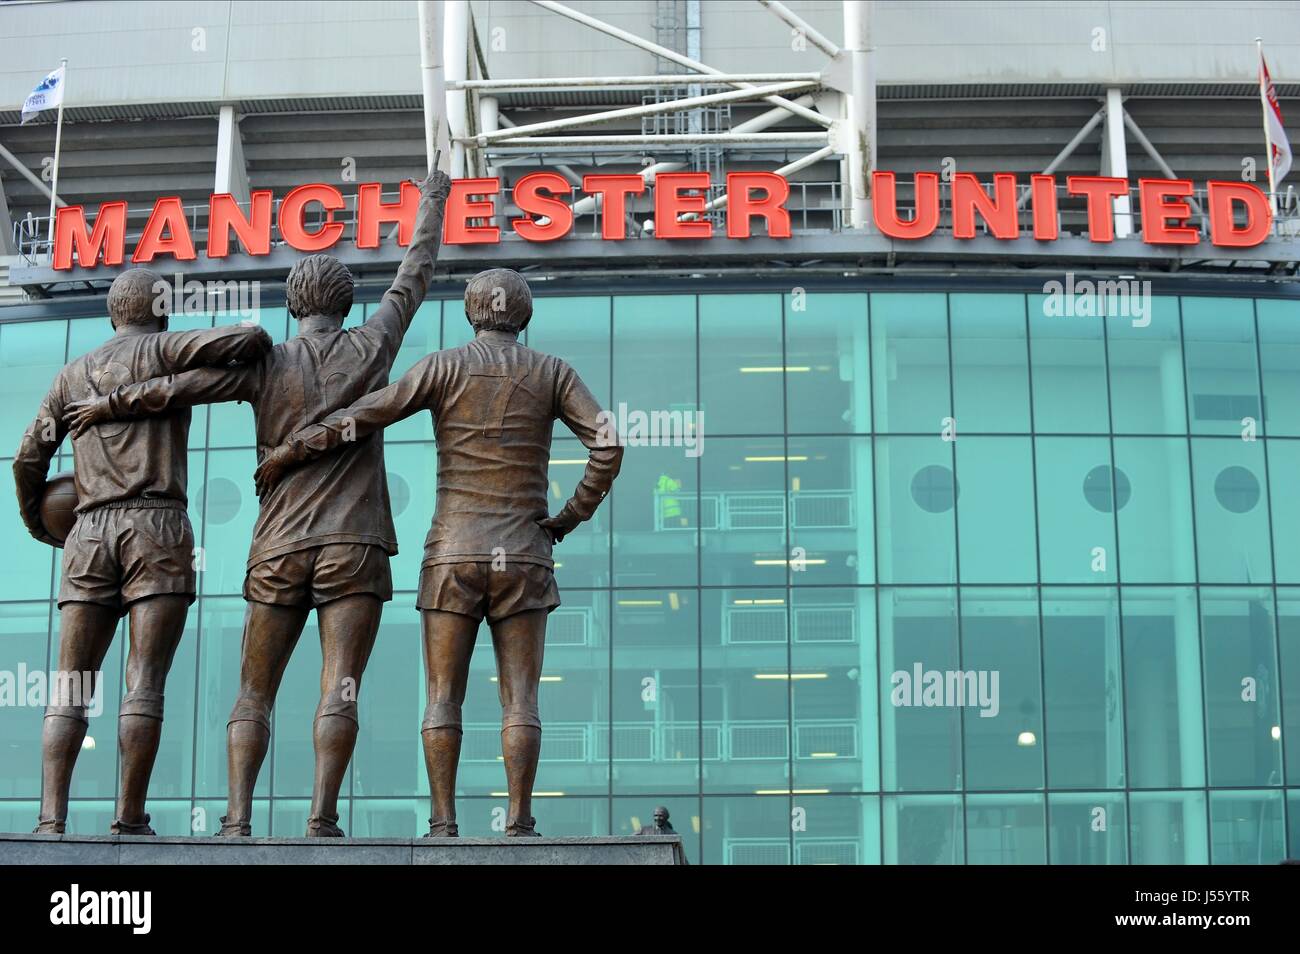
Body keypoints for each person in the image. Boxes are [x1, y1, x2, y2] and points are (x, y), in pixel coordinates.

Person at [62, 171, 452, 836]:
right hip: (353, 545)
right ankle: (322, 818)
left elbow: (177, 387)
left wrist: (106, 403)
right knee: (341, 686)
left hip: (276, 547)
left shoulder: (265, 363)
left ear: (293, 307)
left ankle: (238, 821)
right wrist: (434, 200)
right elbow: (414, 274)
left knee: (254, 691)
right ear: (347, 304)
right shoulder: (373, 343)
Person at [253, 267, 623, 837]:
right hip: (524, 551)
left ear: (474, 312)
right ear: (522, 315)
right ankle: (520, 821)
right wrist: (568, 516)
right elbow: (609, 442)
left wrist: (290, 451)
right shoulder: (553, 372)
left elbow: (363, 416)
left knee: (442, 696)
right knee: (520, 699)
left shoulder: (443, 366)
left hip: (452, 552)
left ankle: (443, 823)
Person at [15, 267, 272, 834]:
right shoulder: (164, 347)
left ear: (112, 315)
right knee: (144, 680)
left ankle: (50, 819)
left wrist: (40, 523)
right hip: (156, 524)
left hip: (86, 533)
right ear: (159, 312)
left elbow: (27, 459)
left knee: (71, 683)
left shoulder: (70, 376)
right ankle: (129, 817)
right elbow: (252, 339)